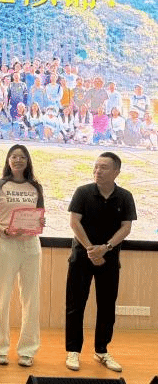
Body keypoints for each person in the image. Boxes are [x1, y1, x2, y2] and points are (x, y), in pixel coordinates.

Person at [65, 152, 136, 373]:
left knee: (107, 306)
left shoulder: (125, 196)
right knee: (75, 305)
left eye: (103, 167)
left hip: (109, 259)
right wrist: (90, 249)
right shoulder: (83, 192)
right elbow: (74, 222)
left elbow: (126, 227)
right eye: (96, 166)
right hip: (81, 257)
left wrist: (105, 248)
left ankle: (102, 350)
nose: (97, 171)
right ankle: (73, 351)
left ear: (116, 172)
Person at [0, 145, 44, 367]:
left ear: (28, 161)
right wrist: (2, 229)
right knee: (0, 298)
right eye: (14, 156)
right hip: (5, 245)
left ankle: (28, 350)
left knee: (31, 299)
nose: (18, 160)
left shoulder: (35, 186)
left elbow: (39, 215)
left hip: (31, 246)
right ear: (8, 160)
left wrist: (41, 222)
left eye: (22, 157)